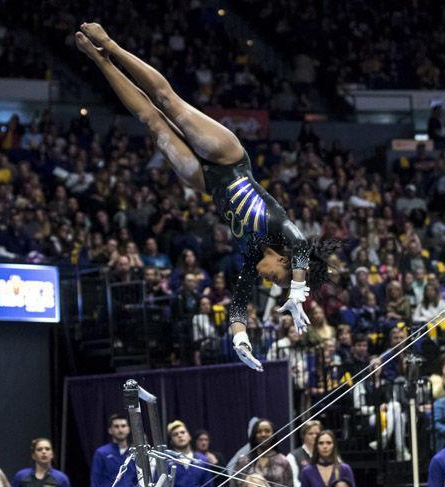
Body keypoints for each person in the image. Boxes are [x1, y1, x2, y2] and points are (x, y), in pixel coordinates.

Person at [75, 23, 338, 371]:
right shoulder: (278, 226)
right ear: (285, 262)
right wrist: (297, 294)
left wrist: (239, 337)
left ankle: (100, 60)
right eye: (277, 277)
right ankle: (111, 44)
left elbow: (239, 305)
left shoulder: (249, 257)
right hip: (229, 159)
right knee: (169, 102)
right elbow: (303, 244)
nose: (268, 279)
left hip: (205, 182)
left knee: (152, 121)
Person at [231, 419, 293, 486]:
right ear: (254, 435)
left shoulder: (283, 461)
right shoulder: (243, 461)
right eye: (259, 431)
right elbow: (234, 484)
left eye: (267, 431)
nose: (263, 434)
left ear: (273, 435)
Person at [90, 414, 136, 487]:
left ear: (128, 429)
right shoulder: (101, 453)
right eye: (116, 426)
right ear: (110, 430)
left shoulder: (134, 452)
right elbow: (95, 481)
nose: (120, 430)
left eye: (123, 426)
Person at [167, 420, 214, 487]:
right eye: (175, 434)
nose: (180, 435)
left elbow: (209, 485)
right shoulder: (166, 462)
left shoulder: (203, 460)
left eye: (182, 432)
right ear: (171, 441)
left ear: (189, 436)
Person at [286, 421, 322, 487]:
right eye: (310, 433)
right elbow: (294, 481)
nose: (314, 436)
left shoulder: (327, 454)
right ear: (303, 436)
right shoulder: (292, 456)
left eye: (317, 434)